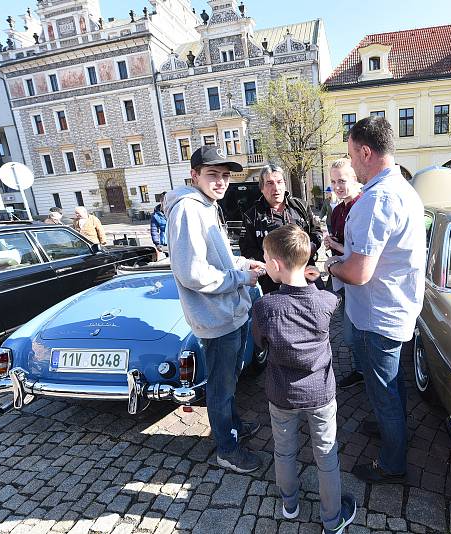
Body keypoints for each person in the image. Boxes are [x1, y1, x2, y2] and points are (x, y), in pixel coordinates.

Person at [324, 116, 425, 484]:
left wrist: (332, 266)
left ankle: (392, 462)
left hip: (377, 315)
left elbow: (359, 272)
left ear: (366, 152)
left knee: (383, 391)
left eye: (351, 156)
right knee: (393, 385)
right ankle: (390, 431)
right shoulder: (403, 188)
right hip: (397, 308)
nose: (350, 164)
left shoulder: (377, 199)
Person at [166, 146, 266, 474]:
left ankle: (232, 426)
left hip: (229, 313)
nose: (221, 181)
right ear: (194, 175)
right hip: (216, 318)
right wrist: (240, 277)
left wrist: (242, 263)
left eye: (225, 176)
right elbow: (192, 273)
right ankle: (226, 448)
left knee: (230, 380)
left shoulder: (208, 206)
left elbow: (217, 257)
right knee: (220, 388)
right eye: (213, 174)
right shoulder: (188, 210)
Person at [252, 224, 356, 534]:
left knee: (284, 450)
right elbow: (319, 299)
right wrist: (318, 282)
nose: (265, 262)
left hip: (282, 393)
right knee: (326, 454)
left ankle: (290, 503)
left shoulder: (265, 307)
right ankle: (332, 519)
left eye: (267, 258)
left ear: (277, 265)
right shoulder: (327, 302)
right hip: (320, 392)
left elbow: (261, 344)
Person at [240, 164, 324, 294]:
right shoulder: (252, 216)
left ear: (285, 184)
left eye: (279, 182)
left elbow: (316, 232)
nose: (276, 188)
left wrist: (308, 249)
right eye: (269, 183)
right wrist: (273, 262)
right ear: (261, 188)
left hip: (305, 275)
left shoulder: (300, 206)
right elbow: (246, 249)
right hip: (273, 283)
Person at [323, 158, 364, 390]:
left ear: (355, 179)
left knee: (353, 333)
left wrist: (337, 247)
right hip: (342, 278)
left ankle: (364, 370)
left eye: (342, 180)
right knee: (350, 331)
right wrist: (332, 242)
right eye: (334, 181)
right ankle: (360, 369)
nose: (337, 186)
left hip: (359, 281)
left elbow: (360, 250)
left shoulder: (361, 206)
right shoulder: (338, 209)